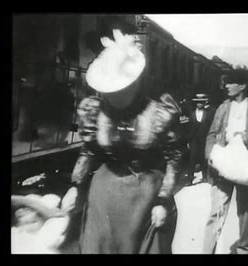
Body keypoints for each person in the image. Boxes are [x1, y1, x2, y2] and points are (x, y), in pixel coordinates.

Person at [67, 29, 182, 254]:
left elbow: (175, 158)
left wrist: (163, 200)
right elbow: (89, 152)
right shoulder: (94, 112)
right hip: (105, 195)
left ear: (135, 84)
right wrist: (75, 185)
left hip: (146, 194)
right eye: (109, 91)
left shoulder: (158, 113)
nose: (114, 96)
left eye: (121, 89)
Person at [202, 68, 248, 254]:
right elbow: (211, 134)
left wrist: (246, 138)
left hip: (246, 165)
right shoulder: (223, 107)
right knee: (216, 211)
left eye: (230, 82)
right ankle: (207, 251)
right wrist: (210, 155)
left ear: (242, 85)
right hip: (222, 164)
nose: (226, 86)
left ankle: (245, 248)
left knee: (245, 212)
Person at [187, 93, 216, 185]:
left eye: (201, 102)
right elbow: (189, 127)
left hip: (204, 138)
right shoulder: (191, 113)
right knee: (192, 158)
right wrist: (188, 140)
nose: (199, 104)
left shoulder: (209, 113)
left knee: (203, 157)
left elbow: (212, 126)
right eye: (198, 102)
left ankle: (204, 177)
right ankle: (190, 179)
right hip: (194, 139)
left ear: (204, 103)